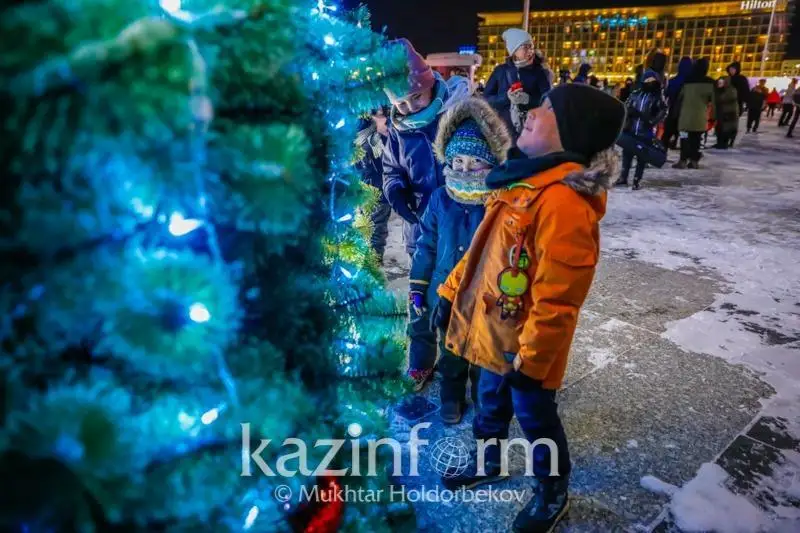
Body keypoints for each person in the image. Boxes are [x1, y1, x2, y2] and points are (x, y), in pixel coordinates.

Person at [433, 84, 626, 533]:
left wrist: (533, 362)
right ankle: (489, 459)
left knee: (536, 418)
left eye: (547, 108)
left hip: (527, 349)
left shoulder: (562, 202)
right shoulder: (523, 182)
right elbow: (482, 251)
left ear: (570, 134)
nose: (533, 112)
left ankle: (551, 490)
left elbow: (559, 296)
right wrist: (449, 291)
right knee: (489, 401)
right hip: (496, 329)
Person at [409, 98, 512, 424]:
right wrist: (418, 285)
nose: (464, 169)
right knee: (451, 349)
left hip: (483, 295)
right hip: (444, 292)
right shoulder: (440, 198)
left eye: (474, 162)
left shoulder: (497, 203)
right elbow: (425, 245)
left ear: (491, 164)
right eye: (458, 161)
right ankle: (451, 393)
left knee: (482, 350)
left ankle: (484, 395)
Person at [382, 38, 470, 389]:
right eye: (400, 103)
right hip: (418, 230)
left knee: (458, 296)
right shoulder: (398, 133)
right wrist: (397, 195)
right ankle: (420, 361)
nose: (408, 107)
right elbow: (392, 172)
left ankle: (462, 361)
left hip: (461, 228)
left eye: (415, 97)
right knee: (418, 297)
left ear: (431, 81)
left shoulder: (459, 116)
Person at [484, 28, 551, 137]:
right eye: (526, 47)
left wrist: (528, 100)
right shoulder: (500, 71)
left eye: (531, 47)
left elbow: (548, 101)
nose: (530, 51)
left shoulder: (540, 72)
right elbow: (486, 99)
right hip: (504, 132)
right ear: (514, 50)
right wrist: (506, 98)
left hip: (531, 131)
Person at [616, 69, 667, 190]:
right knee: (627, 154)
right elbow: (626, 106)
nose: (649, 82)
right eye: (647, 80)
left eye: (652, 80)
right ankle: (623, 177)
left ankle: (637, 179)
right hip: (631, 128)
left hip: (646, 131)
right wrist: (629, 112)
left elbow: (663, 110)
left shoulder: (657, 96)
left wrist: (651, 121)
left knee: (642, 156)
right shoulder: (636, 93)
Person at [354, 108, 391, 262]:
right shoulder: (360, 126)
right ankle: (372, 262)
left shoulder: (392, 122)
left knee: (376, 225)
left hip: (383, 180)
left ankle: (373, 261)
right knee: (371, 225)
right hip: (369, 184)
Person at [674, 58, 715, 169]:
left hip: (684, 118)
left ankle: (682, 160)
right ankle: (694, 161)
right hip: (699, 118)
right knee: (696, 140)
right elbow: (714, 101)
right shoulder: (710, 82)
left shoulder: (687, 80)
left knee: (684, 139)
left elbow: (680, 98)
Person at [663, 56, 694, 150]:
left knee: (667, 133)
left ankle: (662, 152)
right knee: (684, 135)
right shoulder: (691, 82)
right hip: (686, 115)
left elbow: (666, 94)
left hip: (673, 112)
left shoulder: (673, 81)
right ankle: (683, 155)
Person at [712, 77, 739, 149]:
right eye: (718, 83)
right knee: (719, 128)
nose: (719, 84)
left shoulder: (731, 90)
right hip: (720, 112)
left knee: (726, 128)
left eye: (721, 83)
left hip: (728, 113)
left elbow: (724, 99)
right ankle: (719, 142)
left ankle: (724, 143)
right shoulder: (718, 90)